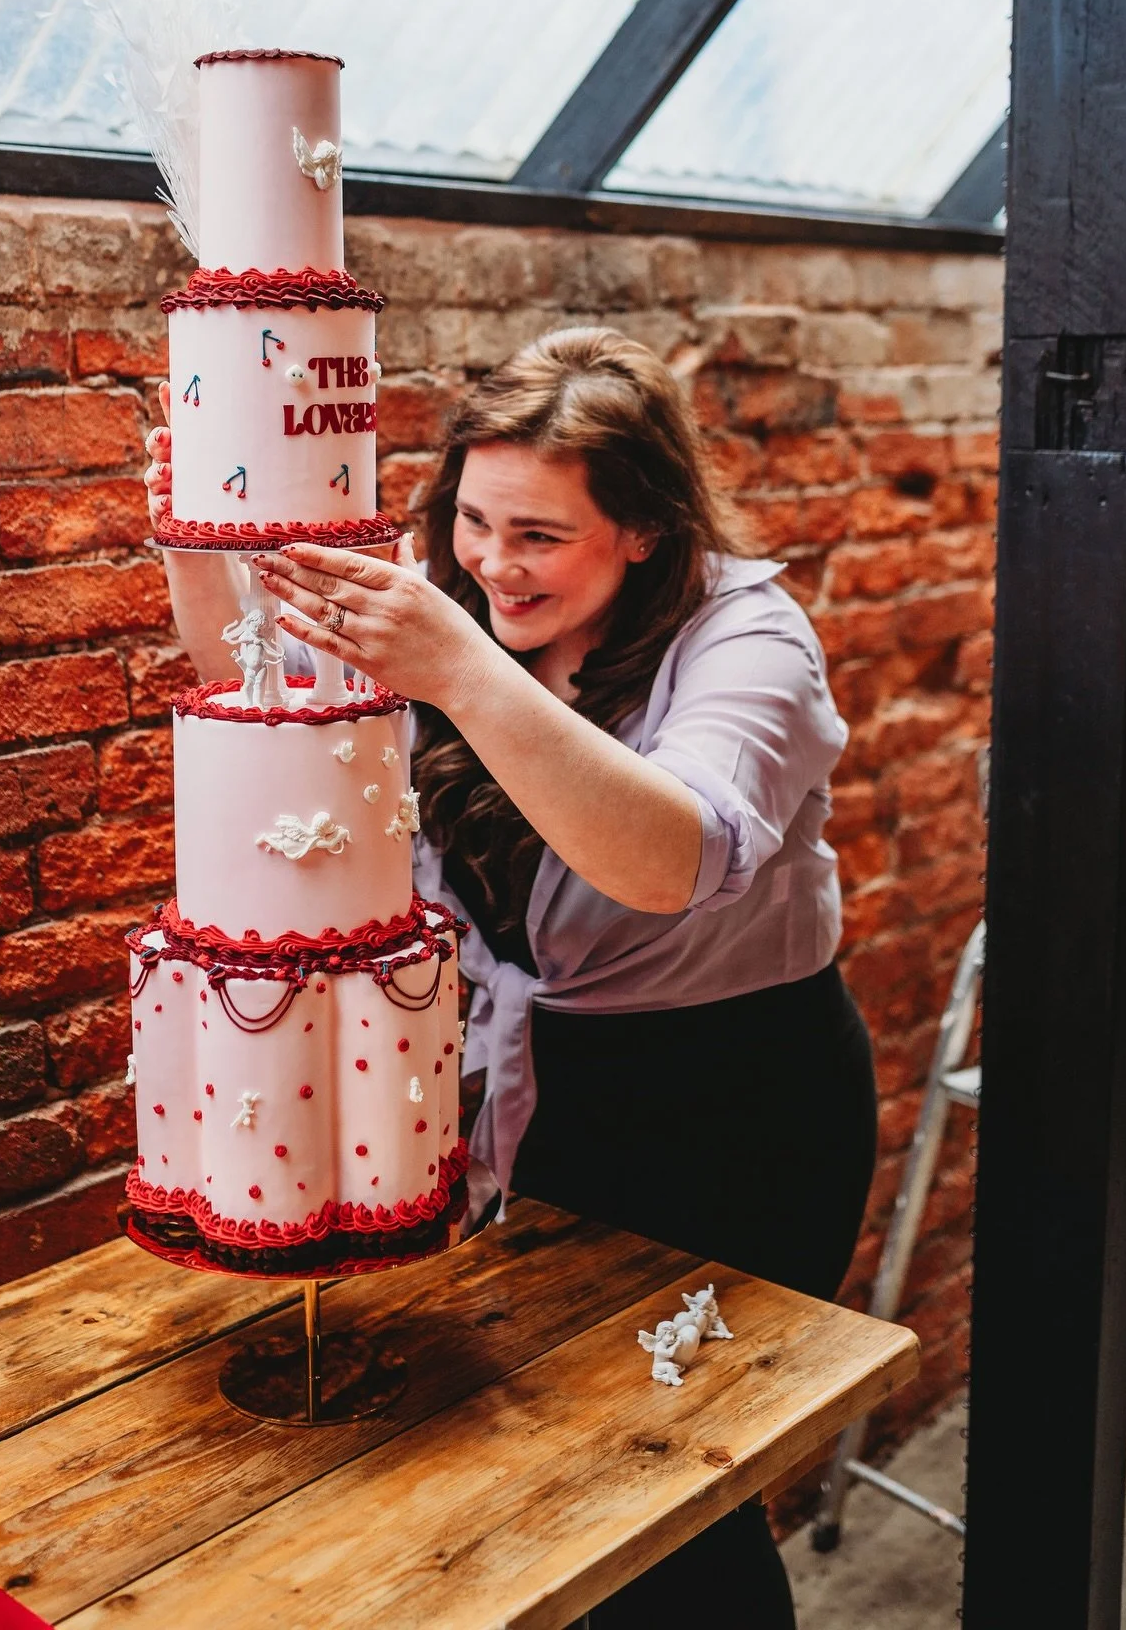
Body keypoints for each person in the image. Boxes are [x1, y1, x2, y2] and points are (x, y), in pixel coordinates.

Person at [146, 327, 875, 1626]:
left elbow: (675, 853)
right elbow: (279, 701)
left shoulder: (749, 640)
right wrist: (200, 545)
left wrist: (464, 672)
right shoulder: (460, 604)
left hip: (734, 1113)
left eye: (538, 534)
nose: (489, 561)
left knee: (675, 1502)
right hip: (535, 1108)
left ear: (646, 528)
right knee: (538, 1487)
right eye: (472, 520)